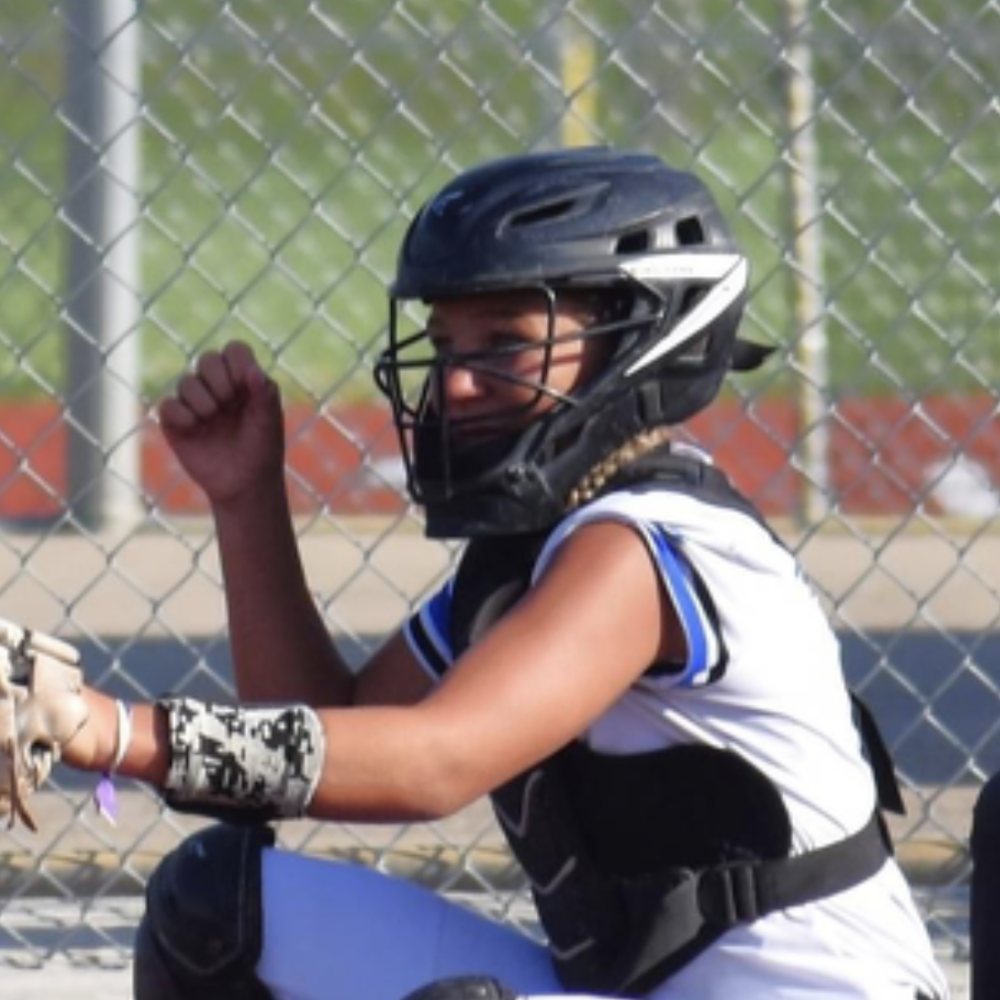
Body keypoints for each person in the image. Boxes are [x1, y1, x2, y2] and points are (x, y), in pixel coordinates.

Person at [41, 147, 946, 999]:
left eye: (503, 342)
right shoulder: (541, 545)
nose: (455, 383)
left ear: (638, 342)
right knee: (219, 909)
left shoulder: (646, 546)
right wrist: (247, 500)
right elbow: (326, 724)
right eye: (446, 343)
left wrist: (109, 732)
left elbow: (434, 762)